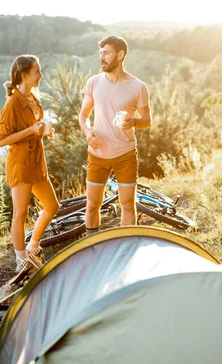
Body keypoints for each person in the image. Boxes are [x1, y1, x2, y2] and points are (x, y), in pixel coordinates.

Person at [79, 35, 152, 234]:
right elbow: (83, 115)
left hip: (125, 154)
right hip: (97, 154)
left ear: (120, 55)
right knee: (93, 204)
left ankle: (125, 249)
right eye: (100, 53)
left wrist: (134, 121)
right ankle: (91, 247)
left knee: (127, 204)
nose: (102, 58)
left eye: (107, 53)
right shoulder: (94, 83)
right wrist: (87, 132)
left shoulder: (138, 87)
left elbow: (147, 121)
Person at [0, 55, 60, 272]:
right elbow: (2, 139)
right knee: (20, 214)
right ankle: (20, 260)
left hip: (36, 162)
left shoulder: (34, 99)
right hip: (21, 164)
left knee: (52, 206)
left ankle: (33, 246)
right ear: (24, 75)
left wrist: (43, 131)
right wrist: (30, 131)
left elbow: (35, 128)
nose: (41, 76)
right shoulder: (12, 104)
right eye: (37, 72)